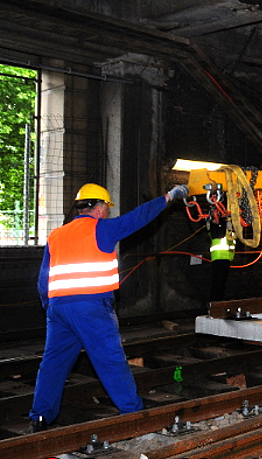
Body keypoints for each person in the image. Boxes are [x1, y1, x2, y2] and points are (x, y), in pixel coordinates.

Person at [29, 182, 189, 431]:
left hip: (58, 309)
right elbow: (137, 218)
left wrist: (49, 307)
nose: (107, 212)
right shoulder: (101, 229)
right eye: (106, 207)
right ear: (99, 207)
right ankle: (132, 413)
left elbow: (43, 278)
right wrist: (168, 197)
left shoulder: (56, 235)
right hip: (91, 308)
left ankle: (40, 417)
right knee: (110, 360)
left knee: (53, 364)